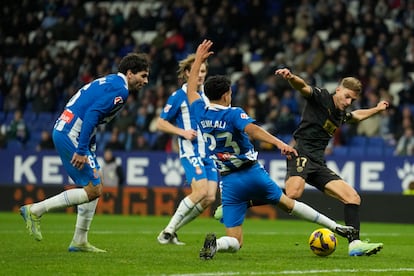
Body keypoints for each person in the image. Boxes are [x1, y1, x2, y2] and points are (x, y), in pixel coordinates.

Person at [187, 40, 357, 260]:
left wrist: (198, 59)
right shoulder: (232, 113)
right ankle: (336, 227)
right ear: (227, 95)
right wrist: (279, 143)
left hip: (228, 182)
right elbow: (254, 130)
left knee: (235, 242)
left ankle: (217, 244)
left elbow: (191, 89)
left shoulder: (200, 112)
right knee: (290, 204)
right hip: (251, 173)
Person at [19, 53, 150, 252]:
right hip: (72, 134)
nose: (146, 81)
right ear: (130, 73)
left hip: (71, 130)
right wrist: (81, 149)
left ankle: (79, 240)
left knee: (94, 183)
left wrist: (89, 145)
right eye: (143, 76)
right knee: (94, 189)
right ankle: (35, 210)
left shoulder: (110, 81)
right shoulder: (121, 90)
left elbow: (87, 109)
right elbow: (92, 114)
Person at [274, 67, 387, 256]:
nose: (349, 102)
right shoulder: (322, 97)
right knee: (292, 194)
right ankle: (246, 200)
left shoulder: (340, 113)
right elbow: (303, 87)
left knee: (353, 197)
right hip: (301, 153)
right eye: (347, 97)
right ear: (339, 90)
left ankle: (355, 245)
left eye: (353, 100)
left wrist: (377, 109)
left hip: (318, 163)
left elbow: (356, 116)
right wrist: (291, 77)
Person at [156, 52, 219, 245]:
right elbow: (160, 123)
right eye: (196, 71)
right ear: (186, 73)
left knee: (209, 197)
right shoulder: (178, 96)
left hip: (209, 154)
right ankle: (167, 230)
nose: (200, 75)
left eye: (203, 71)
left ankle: (172, 230)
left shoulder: (206, 97)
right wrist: (182, 132)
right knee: (199, 192)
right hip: (191, 152)